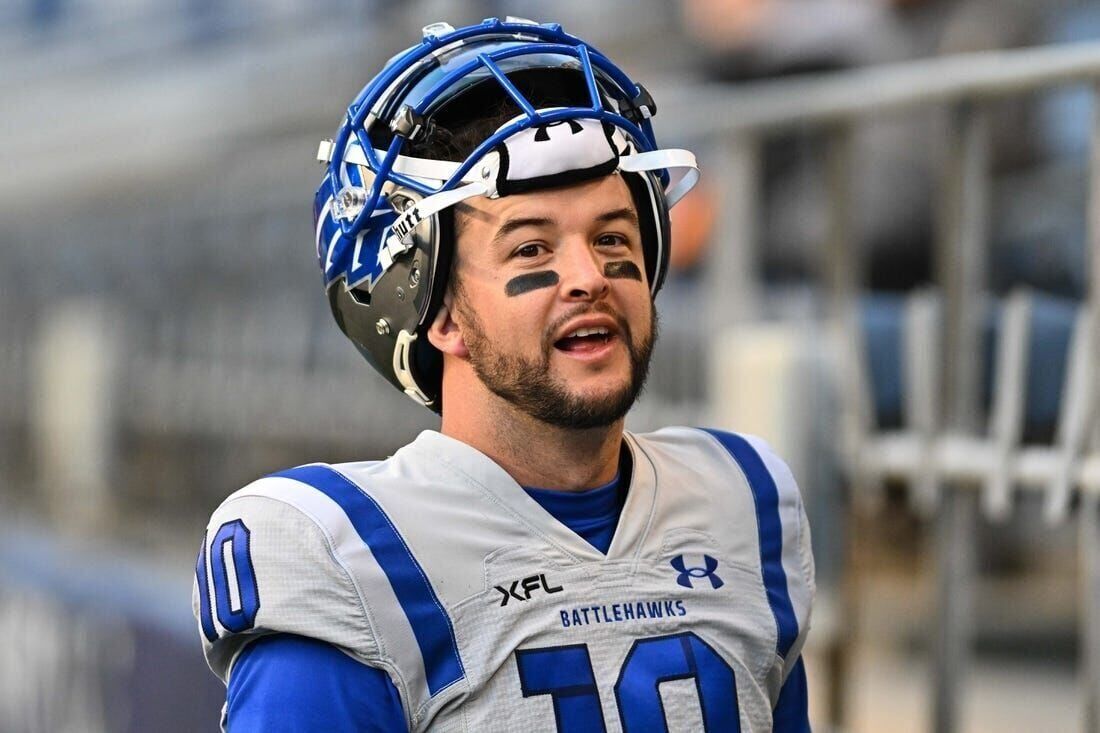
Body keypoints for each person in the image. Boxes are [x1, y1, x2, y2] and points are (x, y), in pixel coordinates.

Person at [193, 18, 814, 731]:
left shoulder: (743, 499)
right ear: (436, 311)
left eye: (612, 237)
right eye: (530, 248)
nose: (589, 277)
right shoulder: (349, 557)